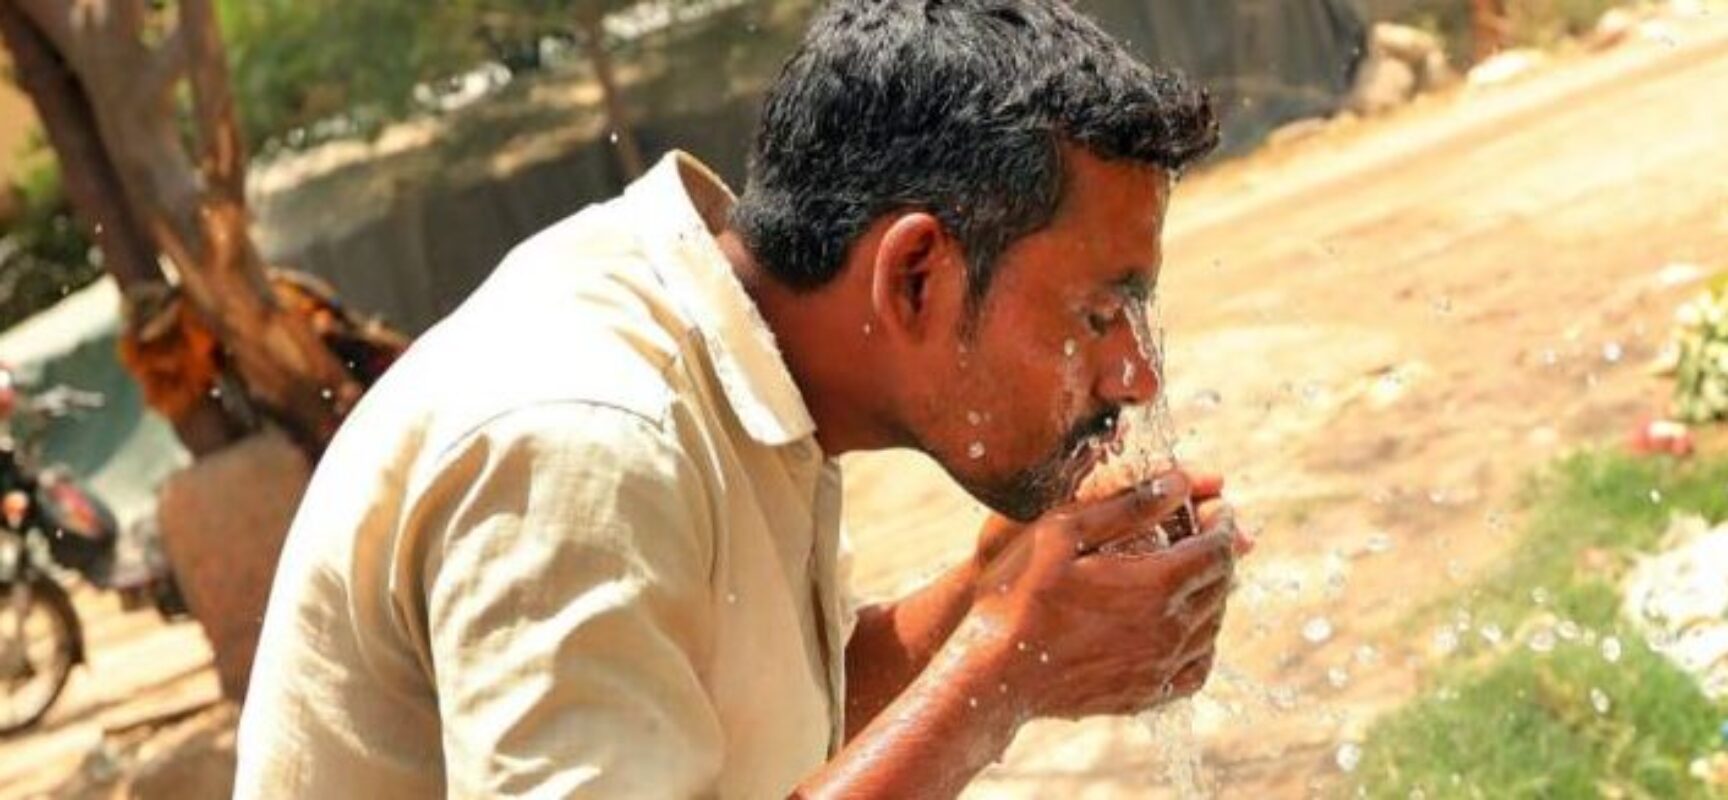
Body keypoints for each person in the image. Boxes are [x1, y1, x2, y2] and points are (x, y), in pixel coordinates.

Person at [235, 0, 1245, 796]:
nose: (1136, 376)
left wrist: (985, 597)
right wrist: (1008, 664)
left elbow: (750, 732)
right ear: (916, 277)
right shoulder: (590, 439)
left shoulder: (726, 353)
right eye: (1101, 312)